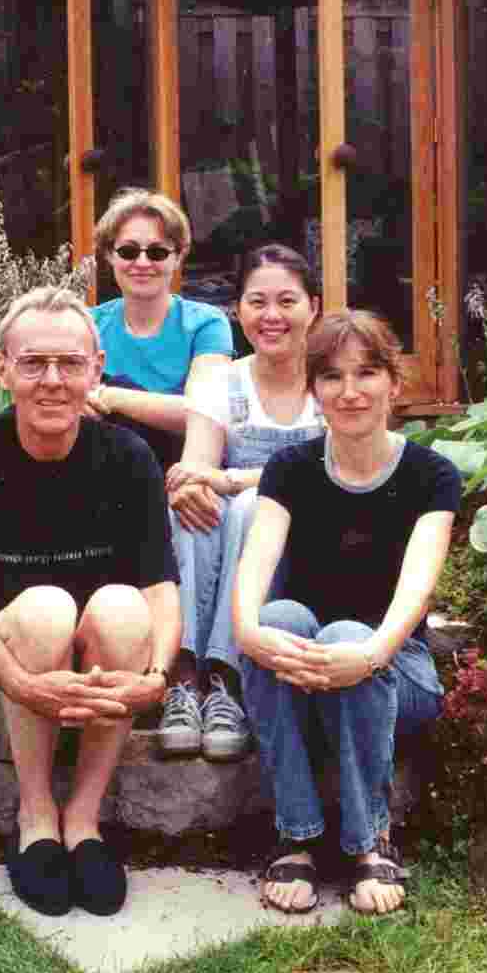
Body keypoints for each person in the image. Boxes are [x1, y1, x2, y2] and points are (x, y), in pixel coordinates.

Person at [0, 286, 180, 918]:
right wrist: (19, 684)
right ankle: (35, 818)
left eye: (70, 364)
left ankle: (83, 822)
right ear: (1, 368)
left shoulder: (127, 457)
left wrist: (160, 678)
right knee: (45, 608)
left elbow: (159, 589)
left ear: (97, 368)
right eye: (33, 363)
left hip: (89, 701)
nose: (52, 381)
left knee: (119, 606)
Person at [231, 310, 461, 916]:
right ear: (314, 391)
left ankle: (369, 842)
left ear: (394, 382)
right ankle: (298, 837)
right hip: (303, 667)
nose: (350, 391)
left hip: (396, 668)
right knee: (278, 616)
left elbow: (416, 587)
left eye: (367, 373)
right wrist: (248, 632)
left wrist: (370, 652)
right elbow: (254, 566)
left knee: (349, 631)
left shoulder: (431, 475)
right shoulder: (290, 470)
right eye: (332, 377)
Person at [158, 244, 324, 762]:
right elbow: (198, 468)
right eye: (257, 302)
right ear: (239, 310)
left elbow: (328, 473)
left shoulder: (333, 380)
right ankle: (184, 679)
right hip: (233, 531)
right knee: (190, 506)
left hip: (308, 541)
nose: (271, 316)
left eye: (287, 301)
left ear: (313, 307)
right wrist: (195, 483)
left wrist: (231, 480)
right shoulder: (221, 381)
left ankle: (228, 677)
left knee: (255, 504)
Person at [83, 188, 234, 467]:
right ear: (108, 255)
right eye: (128, 251)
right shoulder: (87, 324)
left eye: (157, 252)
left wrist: (109, 396)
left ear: (178, 257)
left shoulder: (206, 324)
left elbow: (207, 413)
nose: (142, 263)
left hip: (183, 473)